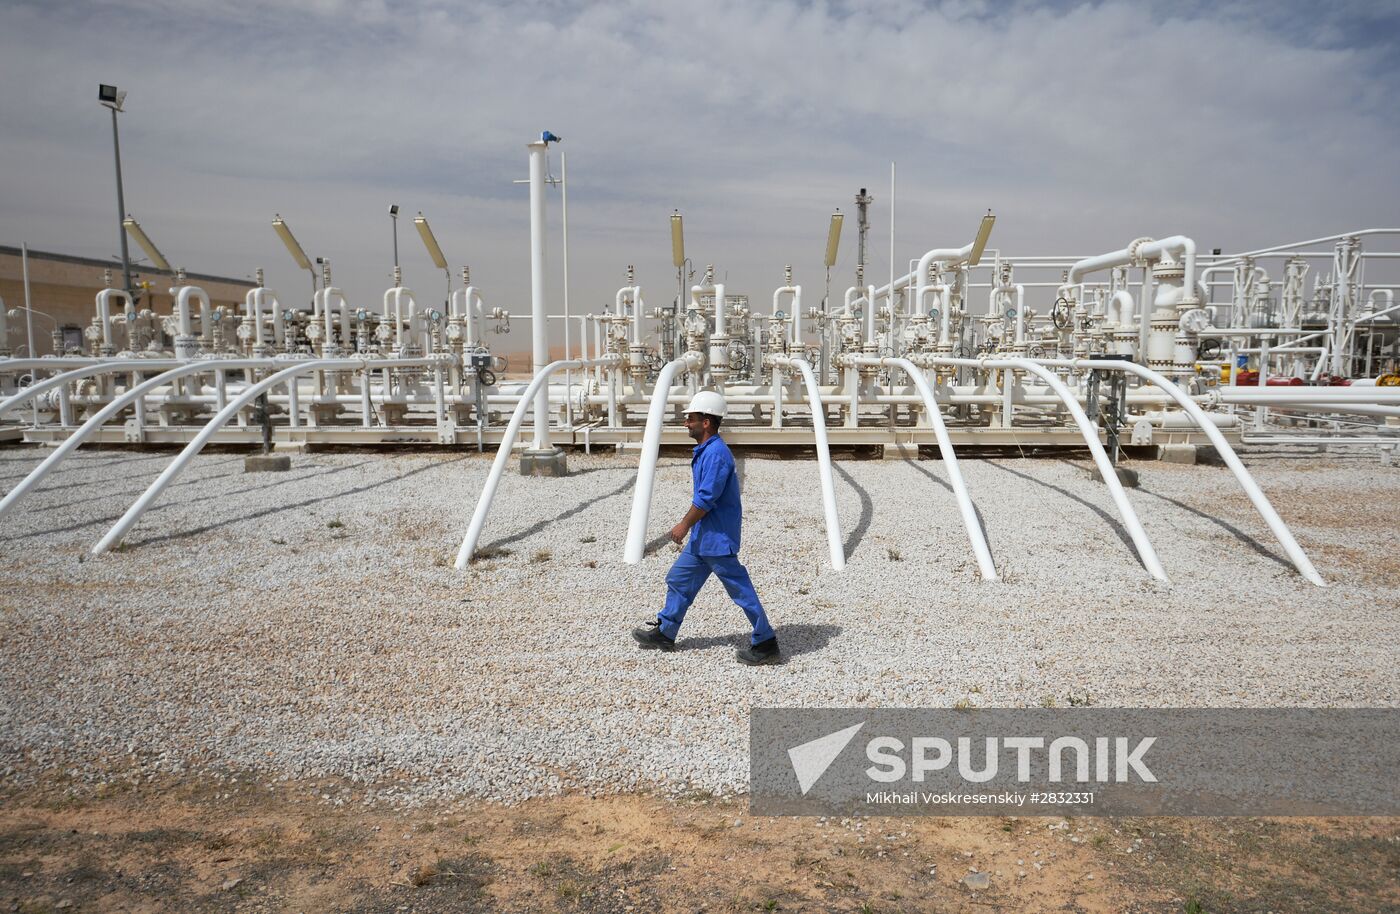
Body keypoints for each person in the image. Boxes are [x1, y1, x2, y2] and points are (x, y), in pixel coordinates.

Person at [632, 390, 780, 665]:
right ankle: (666, 630)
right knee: (678, 579)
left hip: (717, 539)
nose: (686, 423)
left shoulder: (716, 455)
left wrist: (684, 524)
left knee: (740, 590)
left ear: (707, 422)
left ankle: (766, 641)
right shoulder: (705, 451)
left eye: (691, 418)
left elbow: (706, 498)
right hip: (704, 538)